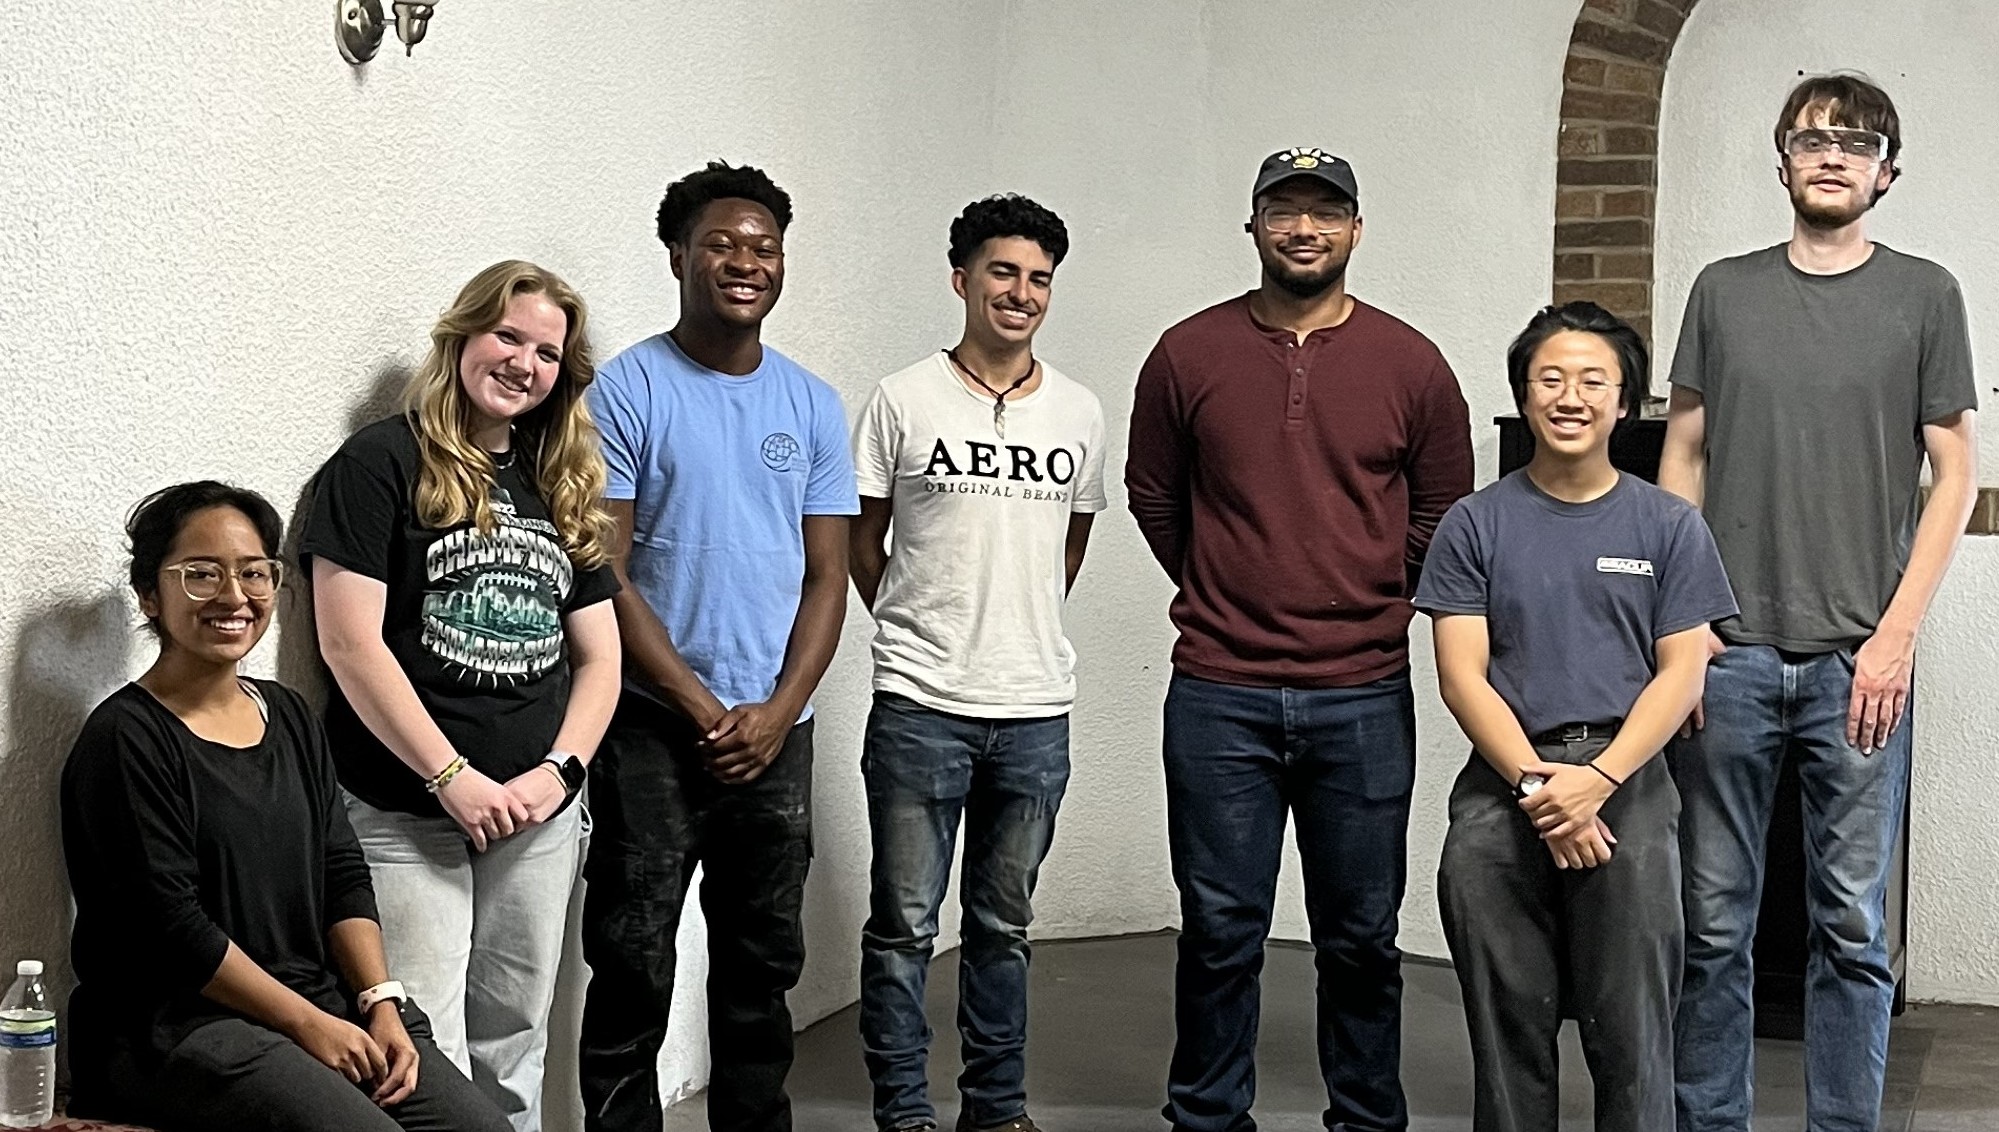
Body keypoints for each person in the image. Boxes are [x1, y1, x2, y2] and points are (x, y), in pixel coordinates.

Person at [1125, 147, 1474, 1132]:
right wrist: (1221, 581)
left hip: (1360, 691)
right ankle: (1206, 1117)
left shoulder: (1410, 363)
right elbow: (1153, 491)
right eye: (1284, 210)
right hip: (1217, 689)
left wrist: (1370, 597)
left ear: (1357, 230)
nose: (1304, 228)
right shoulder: (1187, 353)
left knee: (1360, 936)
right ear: (1254, 226)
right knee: (1221, 930)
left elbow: (1442, 511)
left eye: (1325, 212)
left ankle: (1365, 1117)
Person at [1659, 74, 1979, 1132]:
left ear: (1885, 172)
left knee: (1850, 929)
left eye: (1857, 141)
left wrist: (1893, 637)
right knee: (1712, 925)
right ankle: (1712, 1120)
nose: (1832, 154)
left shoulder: (1925, 294)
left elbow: (1954, 472)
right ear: (1782, 161)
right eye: (1811, 137)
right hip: (1729, 655)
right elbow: (1685, 454)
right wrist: (1684, 623)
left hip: (1858, 663)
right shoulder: (1722, 289)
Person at [61, 481, 509, 1132]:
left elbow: (342, 871)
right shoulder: (126, 738)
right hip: (177, 1026)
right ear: (150, 595)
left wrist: (380, 1001)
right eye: (201, 574)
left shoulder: (291, 714)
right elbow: (173, 931)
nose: (234, 596)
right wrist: (308, 1025)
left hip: (315, 999)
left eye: (254, 573)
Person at [303, 260, 623, 1131]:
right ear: (461, 339)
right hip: (405, 812)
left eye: (547, 352)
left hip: (536, 815)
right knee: (419, 1041)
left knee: (515, 1039)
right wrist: (452, 779)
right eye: (507, 336)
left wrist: (558, 775)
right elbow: (347, 642)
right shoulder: (378, 462)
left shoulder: (558, 483)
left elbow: (601, 662)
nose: (523, 362)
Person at [579, 161, 859, 1132]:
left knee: (759, 971)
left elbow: (829, 574)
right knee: (631, 960)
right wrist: (703, 708)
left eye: (763, 246)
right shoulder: (626, 390)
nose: (744, 261)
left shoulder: (813, 404)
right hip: (654, 729)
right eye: (721, 244)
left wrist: (777, 710)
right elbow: (604, 572)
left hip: (779, 734)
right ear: (678, 258)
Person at [1416, 303, 1736, 1132]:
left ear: (1623, 403)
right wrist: (1535, 787)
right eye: (1549, 379)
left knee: (1632, 1031)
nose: (1570, 396)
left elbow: (1680, 669)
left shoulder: (1668, 524)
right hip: (1504, 784)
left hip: (1625, 779)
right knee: (1506, 1023)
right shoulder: (1473, 523)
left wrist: (1595, 781)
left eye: (1593, 380)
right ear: (1523, 396)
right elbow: (1461, 676)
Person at [850, 194, 1106, 1132]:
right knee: (904, 930)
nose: (1022, 293)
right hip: (919, 702)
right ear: (961, 279)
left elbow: (1065, 549)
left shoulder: (1078, 411)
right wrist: (923, 622)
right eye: (1004, 272)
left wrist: (1012, 622)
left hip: (1036, 709)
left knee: (1002, 929)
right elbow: (860, 542)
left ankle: (994, 1111)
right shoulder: (902, 398)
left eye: (1039, 279)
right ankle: (905, 1113)